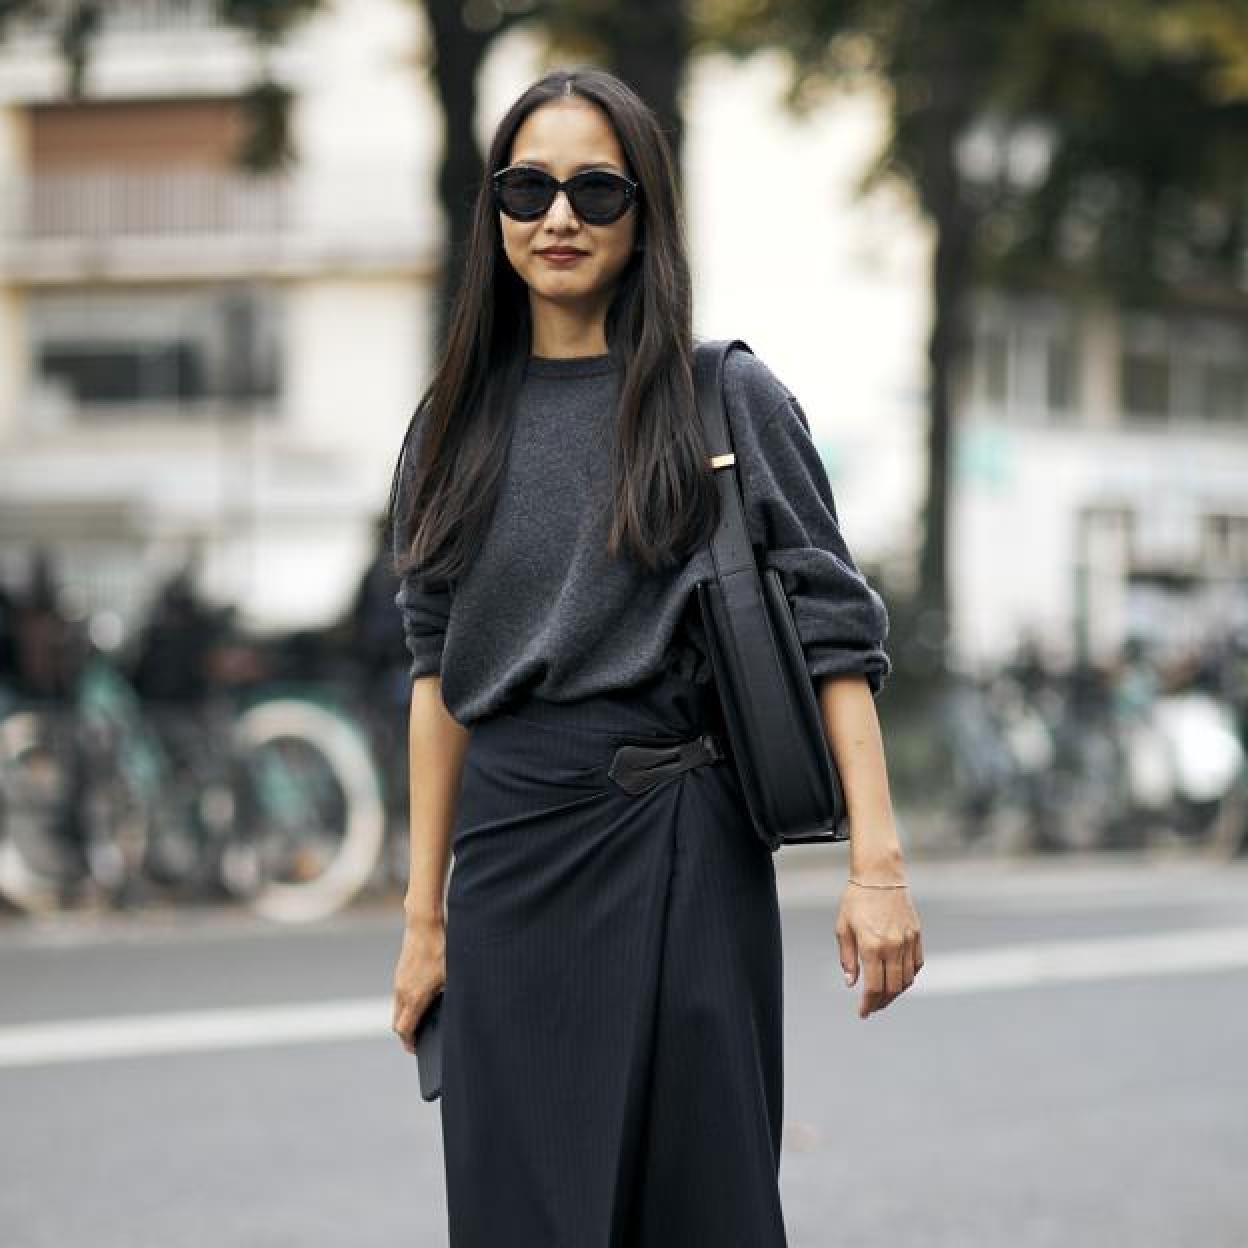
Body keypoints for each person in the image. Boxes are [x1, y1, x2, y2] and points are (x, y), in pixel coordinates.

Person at [387, 65, 923, 1247]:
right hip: (511, 863)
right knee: (517, 1209)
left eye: (595, 190)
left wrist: (876, 867)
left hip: (677, 840)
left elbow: (839, 639)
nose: (559, 217)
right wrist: (425, 919)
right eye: (527, 187)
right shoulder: (449, 424)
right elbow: (437, 677)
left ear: (645, 215)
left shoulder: (721, 396)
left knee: (696, 1204)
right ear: (494, 210)